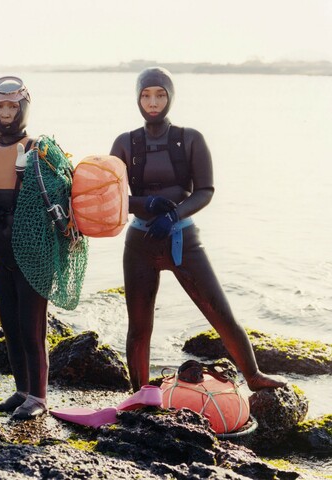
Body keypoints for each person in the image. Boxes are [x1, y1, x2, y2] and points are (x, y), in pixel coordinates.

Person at [110, 67, 287, 392]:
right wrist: (146, 205)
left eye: (160, 95)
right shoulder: (125, 143)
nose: (153, 102)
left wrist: (173, 215)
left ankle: (253, 376)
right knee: (139, 327)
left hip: (183, 239)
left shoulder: (190, 139)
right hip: (140, 242)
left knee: (219, 312)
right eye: (146, 95)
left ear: (170, 97)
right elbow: (113, 195)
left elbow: (205, 190)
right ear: (137, 98)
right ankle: (140, 393)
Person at [0, 76, 49, 419]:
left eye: (12, 106)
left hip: (32, 254)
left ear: (23, 109)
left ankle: (39, 397)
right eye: (0, 106)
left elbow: (52, 201)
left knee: (32, 327)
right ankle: (21, 390)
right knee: (11, 325)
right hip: (0, 255)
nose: (5, 113)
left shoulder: (38, 148)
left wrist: (27, 174)